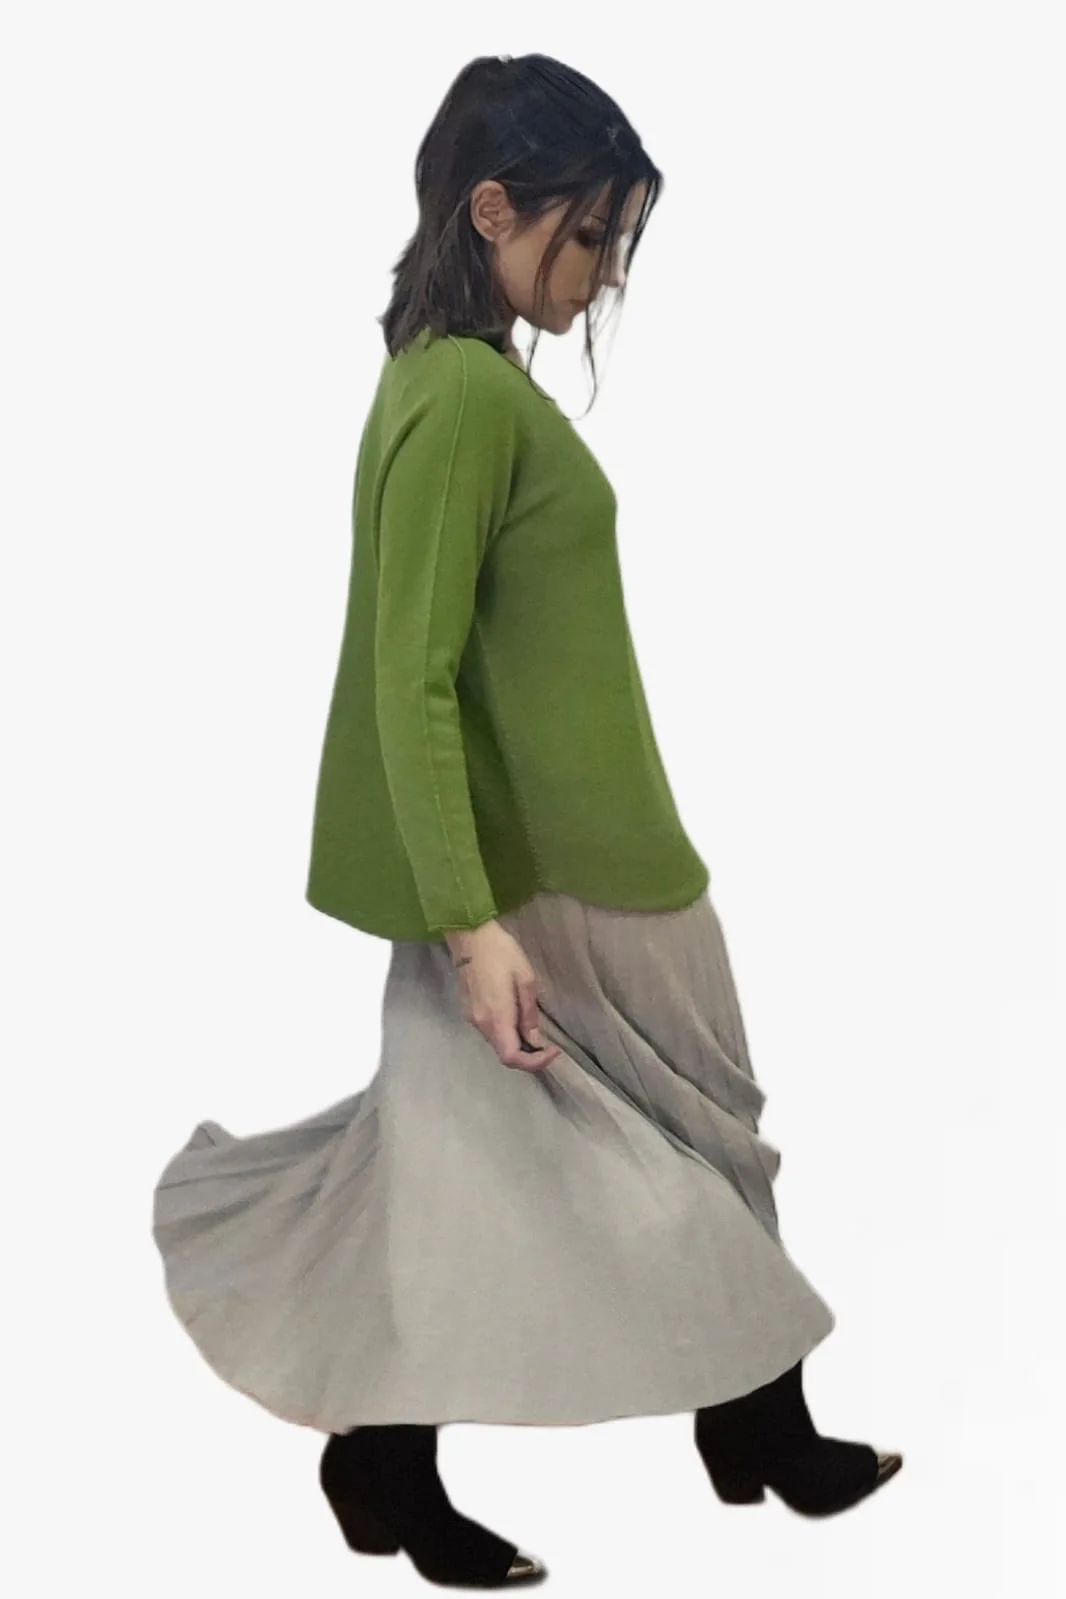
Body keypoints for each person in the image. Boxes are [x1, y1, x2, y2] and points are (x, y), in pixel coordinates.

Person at [151, 51, 902, 1590]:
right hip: (538, 880)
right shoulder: (460, 403)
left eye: (617, 237)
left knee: (652, 1146)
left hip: (584, 853)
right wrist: (473, 925)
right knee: (534, 1175)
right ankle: (457, 1452)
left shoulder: (455, 386)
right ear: (489, 208)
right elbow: (408, 677)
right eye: (589, 231)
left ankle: (729, 1423)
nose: (604, 269)